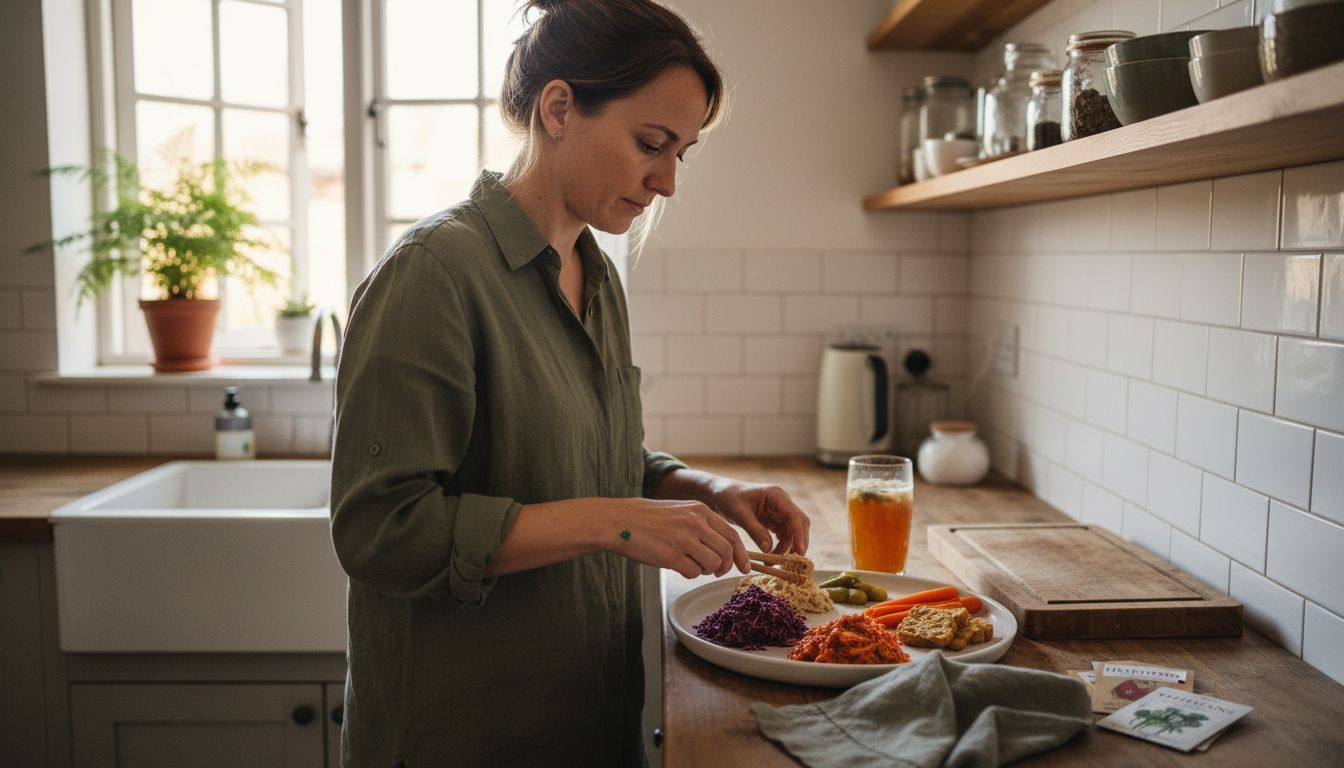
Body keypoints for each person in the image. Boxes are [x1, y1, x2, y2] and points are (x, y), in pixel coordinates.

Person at [329, 0, 812, 765]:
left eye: (680, 153)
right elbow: (381, 530)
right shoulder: (434, 273)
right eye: (650, 143)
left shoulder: (596, 274)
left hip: (586, 721)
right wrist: (615, 523)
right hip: (461, 736)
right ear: (559, 108)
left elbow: (596, 459)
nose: (667, 182)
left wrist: (704, 489)